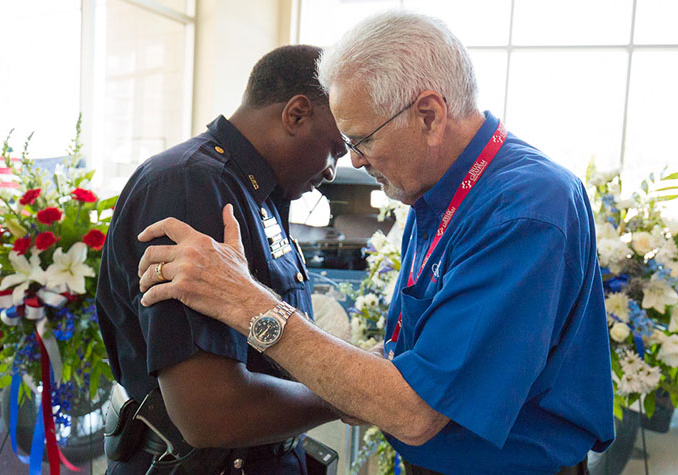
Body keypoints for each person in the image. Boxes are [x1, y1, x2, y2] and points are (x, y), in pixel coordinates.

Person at [136, 11, 615, 475]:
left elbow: (415, 411)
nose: (356, 163)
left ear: (428, 115)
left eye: (360, 140)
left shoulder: (523, 209)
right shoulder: (435, 191)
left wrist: (245, 301)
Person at [96, 44, 348, 474]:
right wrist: (349, 391)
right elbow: (211, 414)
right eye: (335, 149)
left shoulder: (254, 192)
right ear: (297, 114)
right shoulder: (193, 185)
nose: (332, 172)